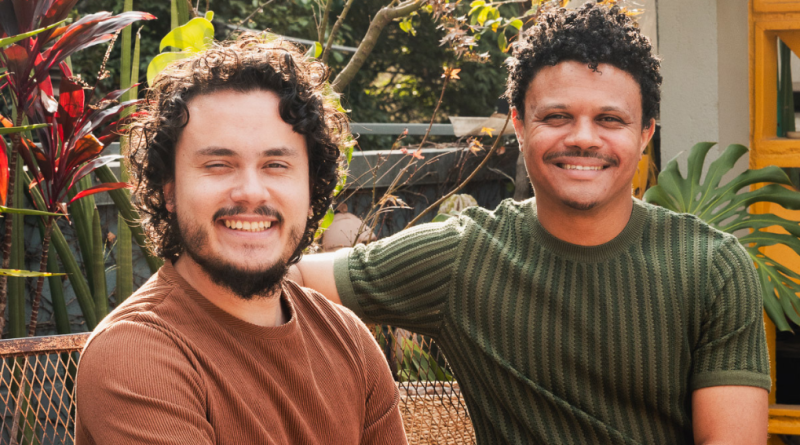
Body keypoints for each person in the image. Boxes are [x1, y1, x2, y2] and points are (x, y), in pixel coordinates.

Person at [293, 2, 771, 443]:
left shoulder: (711, 268)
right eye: (557, 116)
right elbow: (294, 279)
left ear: (645, 132)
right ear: (520, 126)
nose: (583, 138)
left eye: (610, 119)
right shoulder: (464, 257)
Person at [75, 35, 407, 445]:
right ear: (169, 191)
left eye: (276, 164)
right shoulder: (135, 355)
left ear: (311, 189)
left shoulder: (348, 339)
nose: (251, 192)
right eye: (218, 164)